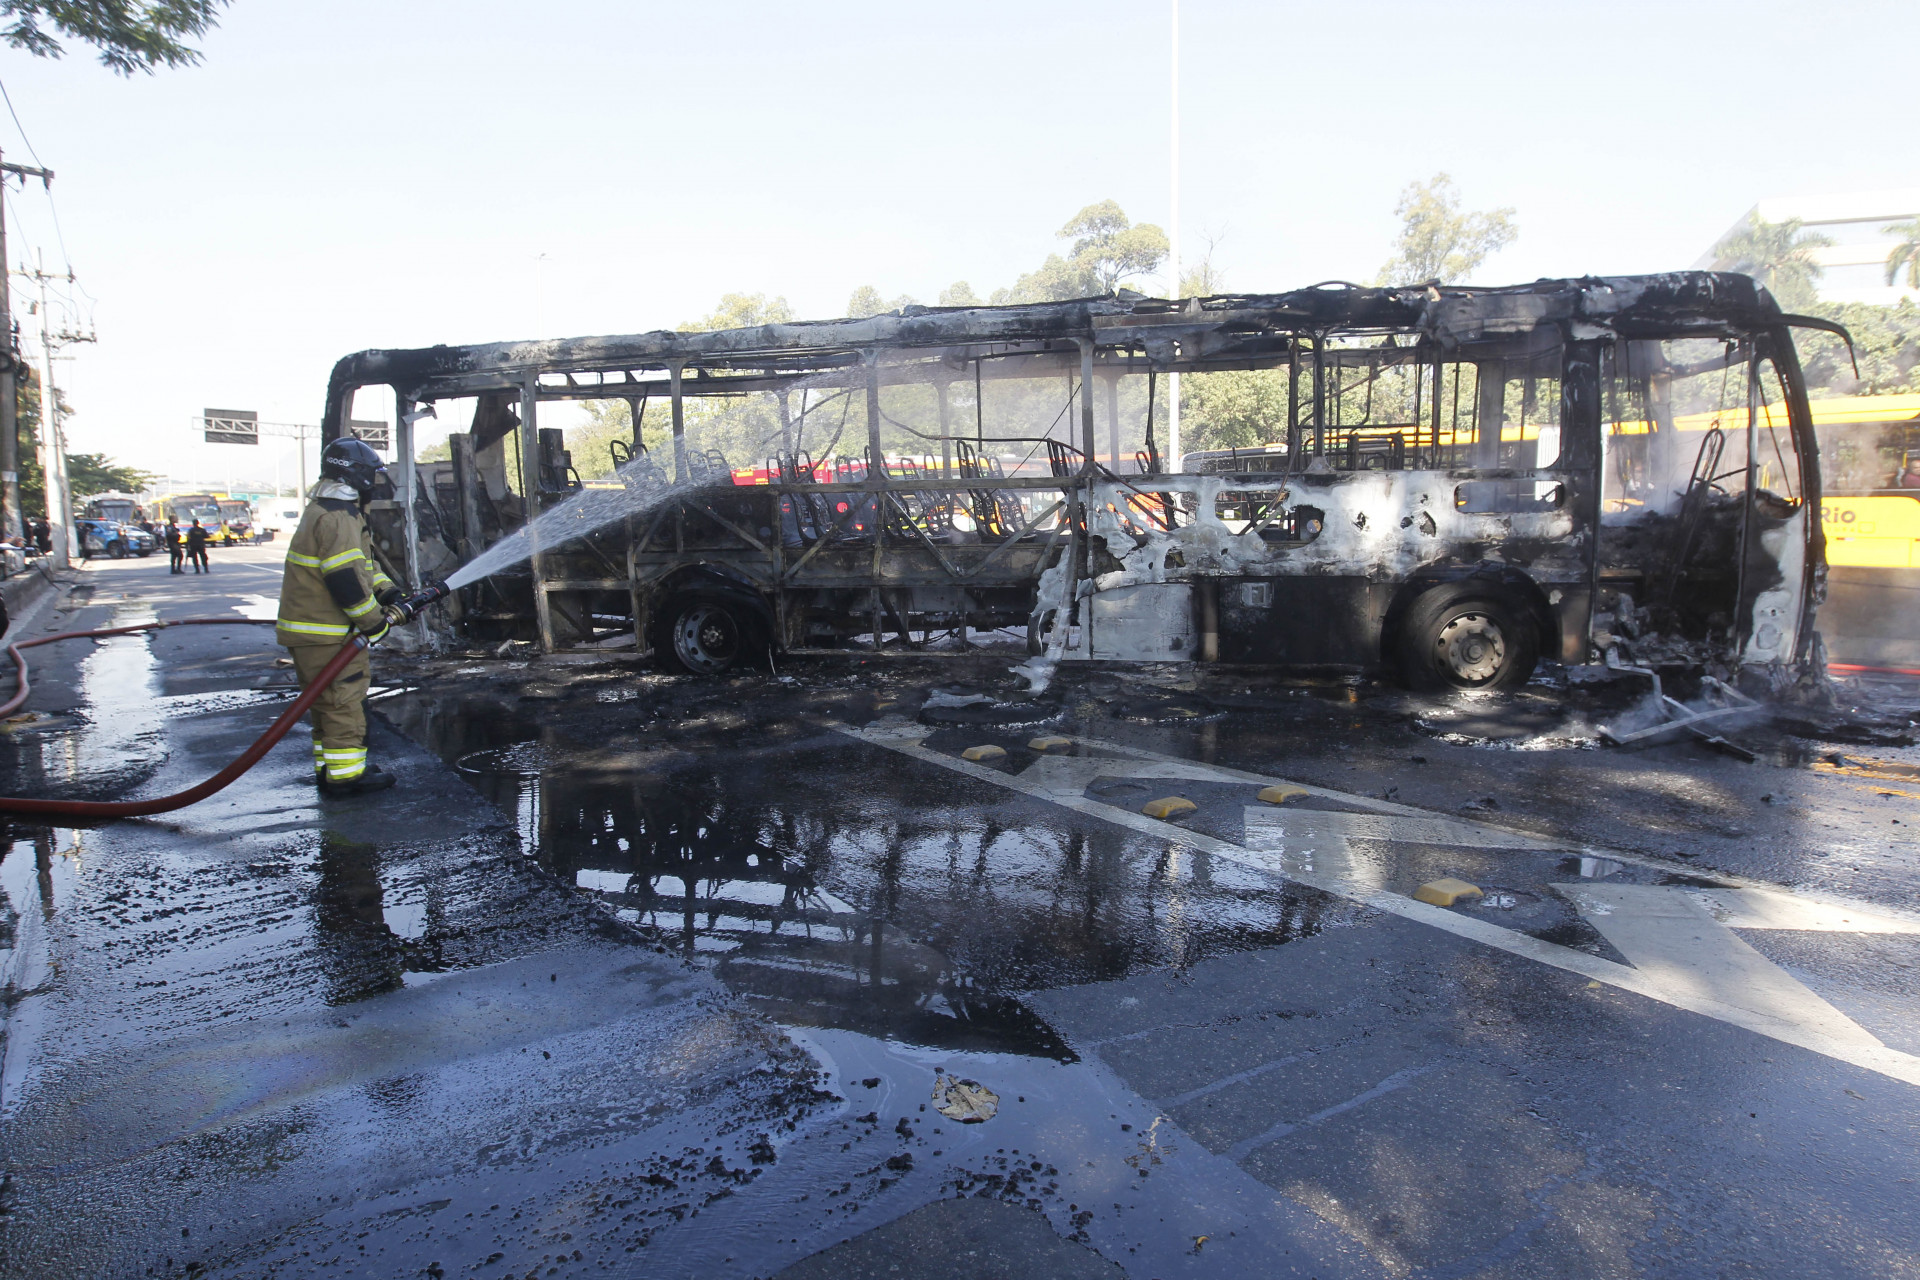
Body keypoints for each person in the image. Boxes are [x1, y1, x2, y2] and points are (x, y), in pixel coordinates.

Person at [276, 437, 404, 796]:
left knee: (325, 704)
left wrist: (386, 590)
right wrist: (373, 622)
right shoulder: (337, 517)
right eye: (372, 474)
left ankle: (330, 767)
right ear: (357, 475)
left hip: (311, 632)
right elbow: (344, 579)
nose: (376, 482)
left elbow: (361, 564)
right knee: (344, 703)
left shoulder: (326, 509)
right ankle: (347, 777)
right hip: (327, 633)